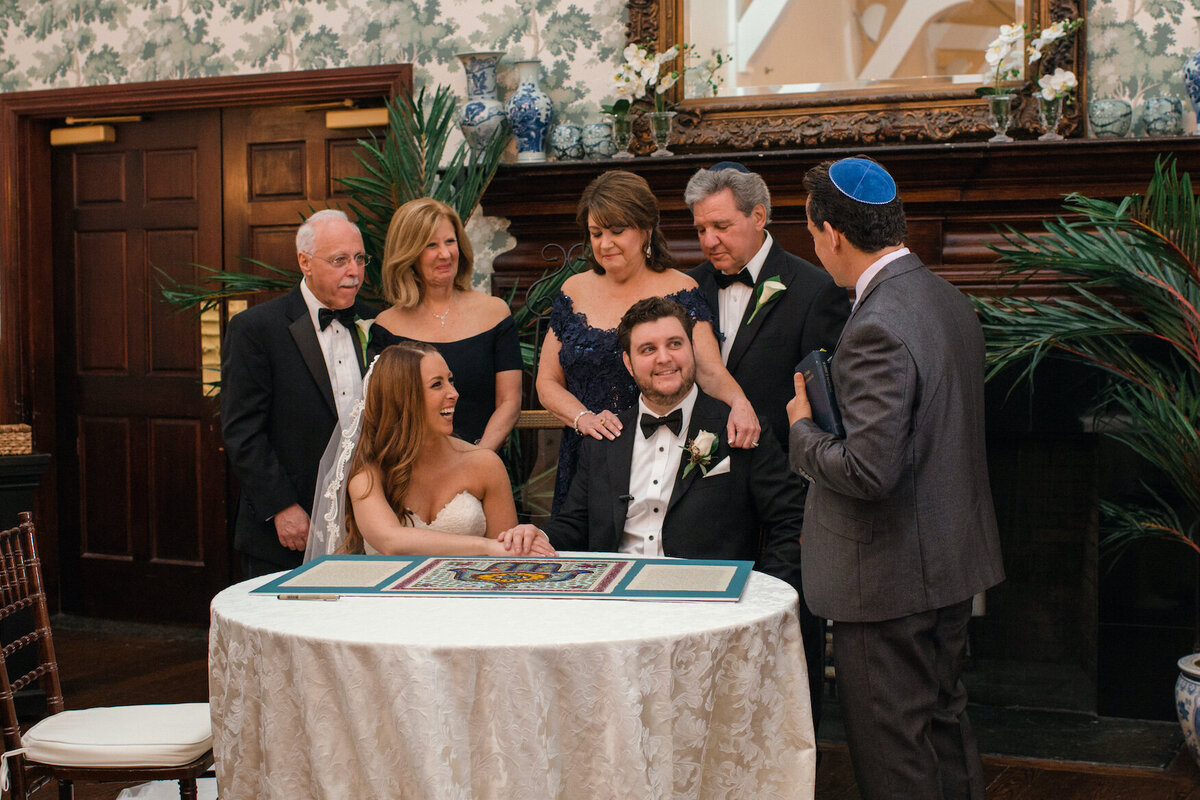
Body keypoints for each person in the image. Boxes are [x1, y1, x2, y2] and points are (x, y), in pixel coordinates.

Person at [787, 157, 1005, 800]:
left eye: (810, 232)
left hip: (884, 580)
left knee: (893, 760)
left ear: (832, 233)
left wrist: (803, 428)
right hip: (946, 562)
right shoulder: (946, 297)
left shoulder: (878, 321)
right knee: (942, 727)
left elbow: (867, 469)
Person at [685, 160, 850, 733]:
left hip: (785, 496)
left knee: (787, 624)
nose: (710, 240)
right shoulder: (689, 289)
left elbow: (827, 402)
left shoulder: (814, 288)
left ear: (759, 217)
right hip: (704, 498)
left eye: (722, 226)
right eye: (701, 228)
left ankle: (795, 753)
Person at [545, 297, 805, 595]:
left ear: (693, 350)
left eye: (675, 344)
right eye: (648, 349)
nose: (664, 358)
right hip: (615, 607)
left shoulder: (740, 428)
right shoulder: (605, 439)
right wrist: (536, 535)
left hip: (709, 606)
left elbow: (789, 521)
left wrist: (763, 593)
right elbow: (575, 525)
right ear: (628, 363)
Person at [537, 170, 760, 513]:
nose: (604, 244)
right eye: (596, 233)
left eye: (617, 231)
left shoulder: (682, 288)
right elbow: (547, 382)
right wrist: (583, 418)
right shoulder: (572, 291)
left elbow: (709, 371)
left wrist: (741, 403)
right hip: (586, 453)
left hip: (659, 450)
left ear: (646, 229)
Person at [221, 209, 378, 578]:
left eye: (359, 259)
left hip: (368, 521)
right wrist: (281, 506)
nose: (354, 272)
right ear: (304, 262)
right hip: (290, 526)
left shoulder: (377, 323)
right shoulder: (256, 329)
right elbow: (242, 430)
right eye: (340, 260)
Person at [307, 342, 555, 558]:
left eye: (450, 380)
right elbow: (390, 541)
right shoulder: (368, 472)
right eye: (437, 385)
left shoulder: (484, 464)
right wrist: (486, 546)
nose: (454, 393)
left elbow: (506, 555)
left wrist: (519, 538)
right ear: (402, 398)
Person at [371, 198, 522, 451]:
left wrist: (478, 460)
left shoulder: (495, 313)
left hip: (484, 464)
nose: (445, 253)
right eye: (431, 245)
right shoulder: (386, 327)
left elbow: (510, 401)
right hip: (413, 470)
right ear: (409, 253)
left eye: (450, 242)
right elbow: (386, 415)